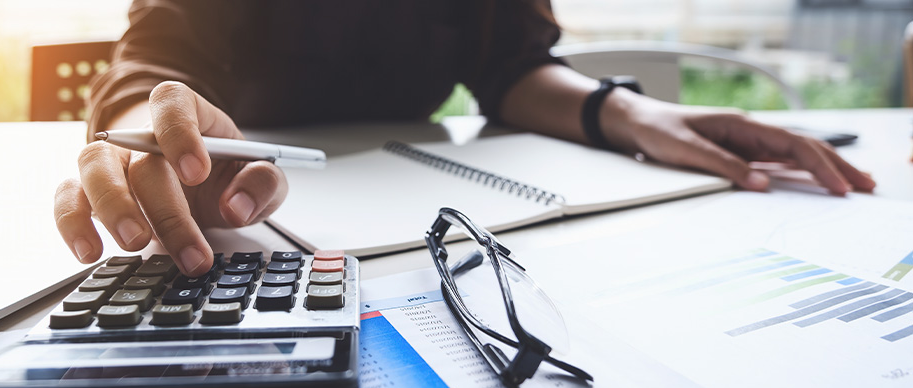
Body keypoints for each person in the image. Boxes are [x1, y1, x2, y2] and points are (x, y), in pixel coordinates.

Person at [53, 0, 876, 277]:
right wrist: (144, 134)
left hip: (429, 218)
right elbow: (151, 61)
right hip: (258, 208)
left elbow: (514, 65)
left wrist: (634, 116)